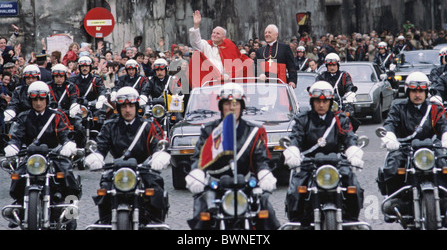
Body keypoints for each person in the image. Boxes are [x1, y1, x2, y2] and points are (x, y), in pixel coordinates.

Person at [185, 83, 280, 230]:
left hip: (245, 184)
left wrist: (264, 173)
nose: (231, 107)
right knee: (202, 215)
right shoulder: (209, 130)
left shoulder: (253, 131)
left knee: (266, 212)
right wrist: (197, 172)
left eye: (235, 104)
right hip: (216, 185)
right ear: (221, 106)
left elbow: (260, 158)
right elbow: (199, 156)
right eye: (227, 104)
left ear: (242, 106)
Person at [84, 87, 170, 224]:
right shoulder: (109, 125)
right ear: (118, 108)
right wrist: (97, 156)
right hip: (116, 169)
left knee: (156, 189)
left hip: (143, 168)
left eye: (131, 106)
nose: (128, 110)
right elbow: (101, 145)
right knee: (104, 190)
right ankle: (106, 221)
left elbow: (158, 143)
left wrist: (158, 156)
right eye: (124, 106)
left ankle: (156, 223)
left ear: (137, 107)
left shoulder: (148, 125)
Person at [283, 81, 365, 226]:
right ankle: (297, 222)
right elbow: (296, 136)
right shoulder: (303, 119)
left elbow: (349, 136)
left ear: (330, 101)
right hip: (309, 163)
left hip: (336, 163)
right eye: (317, 101)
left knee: (354, 187)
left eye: (325, 101)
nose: (321, 105)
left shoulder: (339, 119)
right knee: (296, 190)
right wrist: (293, 150)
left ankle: (351, 220)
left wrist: (353, 151)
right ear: (312, 101)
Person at [3, 81, 82, 229]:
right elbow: (17, 134)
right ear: (30, 100)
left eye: (41, 99)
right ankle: (19, 205)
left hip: (53, 155)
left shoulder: (56, 115)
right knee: (18, 176)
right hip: (31, 156)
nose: (38, 103)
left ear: (47, 99)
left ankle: (71, 212)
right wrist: (13, 145)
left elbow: (65, 132)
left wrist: (67, 144)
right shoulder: (24, 116)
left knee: (67, 175)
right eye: (35, 99)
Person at [376, 72, 447, 222]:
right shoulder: (398, 106)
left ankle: (444, 196)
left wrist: (445, 137)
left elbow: (443, 125)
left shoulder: (434, 108)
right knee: (392, 167)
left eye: (421, 91)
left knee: (444, 164)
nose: (417, 94)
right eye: (414, 91)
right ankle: (395, 199)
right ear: (408, 91)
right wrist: (389, 136)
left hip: (430, 149)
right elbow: (390, 122)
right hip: (405, 148)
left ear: (426, 92)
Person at [188, 10, 253, 88]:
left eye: (217, 33)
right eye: (213, 33)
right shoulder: (205, 45)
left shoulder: (229, 46)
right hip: (211, 82)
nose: (214, 35)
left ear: (223, 37)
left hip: (226, 82)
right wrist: (196, 25)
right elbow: (195, 43)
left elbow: (237, 62)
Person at [47, 63, 85, 149]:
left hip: (68, 114)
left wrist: (74, 106)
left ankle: (80, 148)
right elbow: (50, 101)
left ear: (65, 76)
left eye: (61, 76)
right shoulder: (48, 86)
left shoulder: (71, 86)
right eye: (56, 76)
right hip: (52, 113)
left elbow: (74, 97)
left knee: (79, 125)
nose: (59, 79)